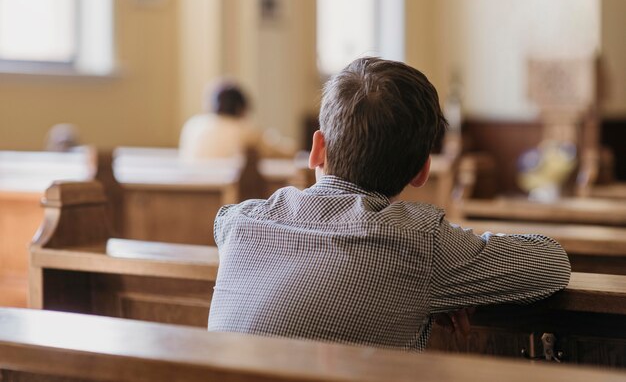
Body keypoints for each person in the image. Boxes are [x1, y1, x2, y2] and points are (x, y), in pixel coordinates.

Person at [207, 57, 571, 351]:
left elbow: (223, 222)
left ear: (317, 148)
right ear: (422, 171)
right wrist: (438, 285)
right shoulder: (419, 242)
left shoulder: (241, 221)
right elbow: (553, 264)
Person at [179, 80, 294, 161]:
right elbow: (283, 152)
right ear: (241, 108)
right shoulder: (244, 130)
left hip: (189, 190)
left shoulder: (192, 125)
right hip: (229, 192)